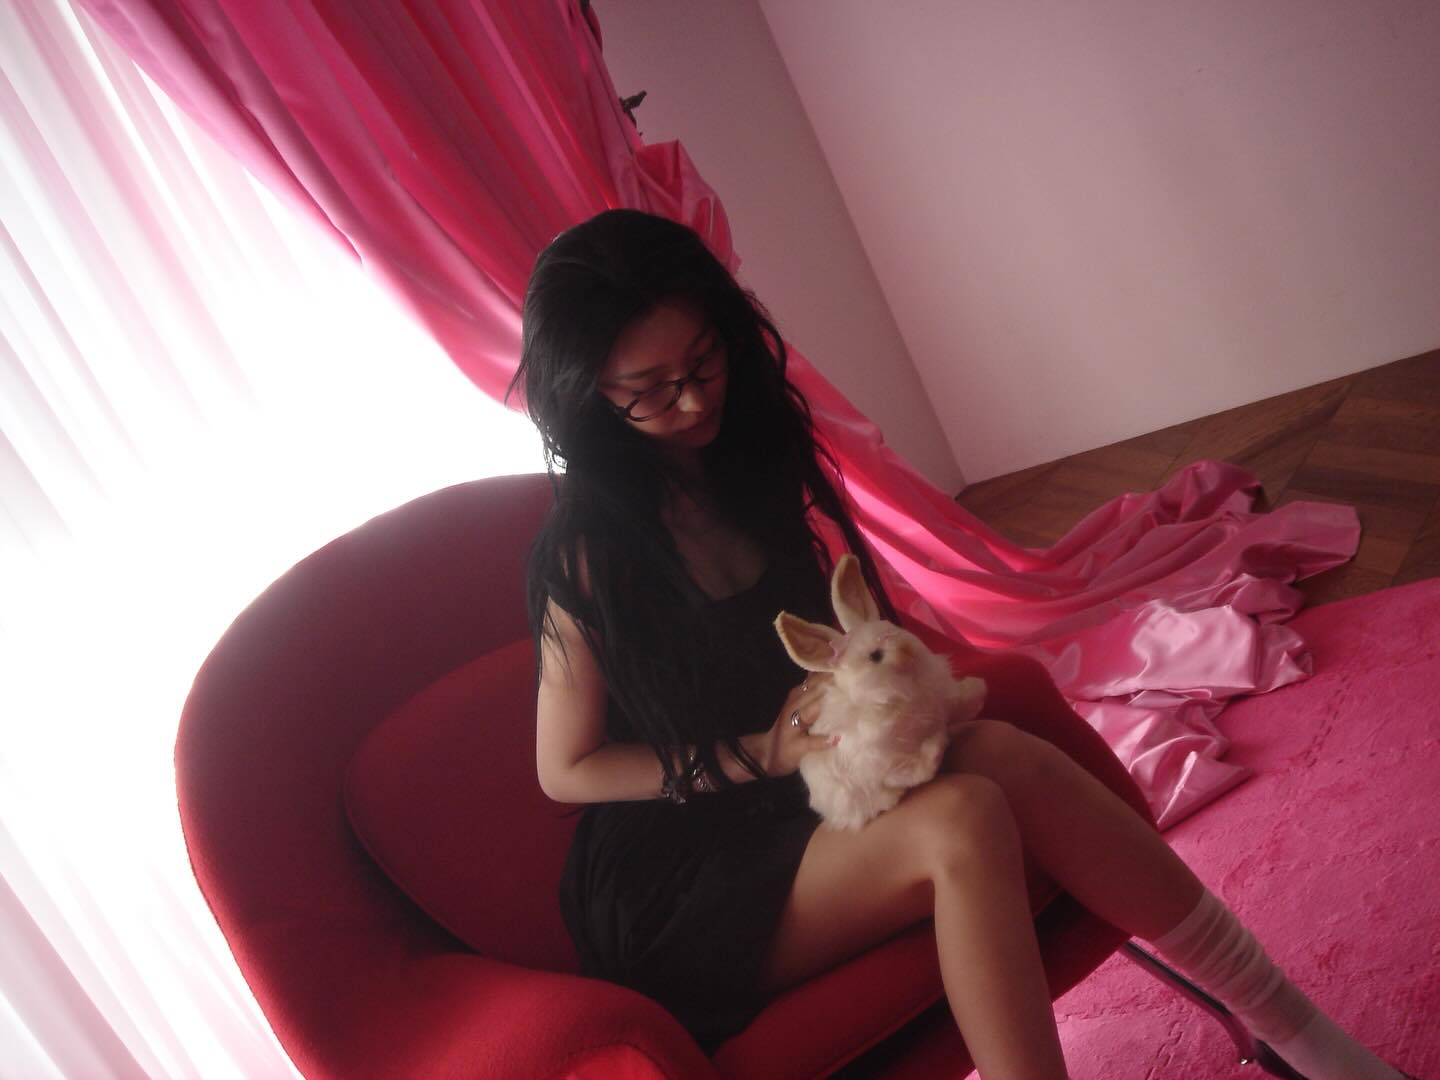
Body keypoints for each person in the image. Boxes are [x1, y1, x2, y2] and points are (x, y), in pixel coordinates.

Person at [510, 208, 1406, 1080]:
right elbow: (566, 768)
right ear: (590, 399)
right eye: (650, 391)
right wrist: (756, 753)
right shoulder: (590, 551)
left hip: (806, 790)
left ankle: (1292, 1030)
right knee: (963, 821)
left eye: (704, 360)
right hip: (681, 874)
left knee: (999, 752)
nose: (695, 398)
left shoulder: (745, 458)